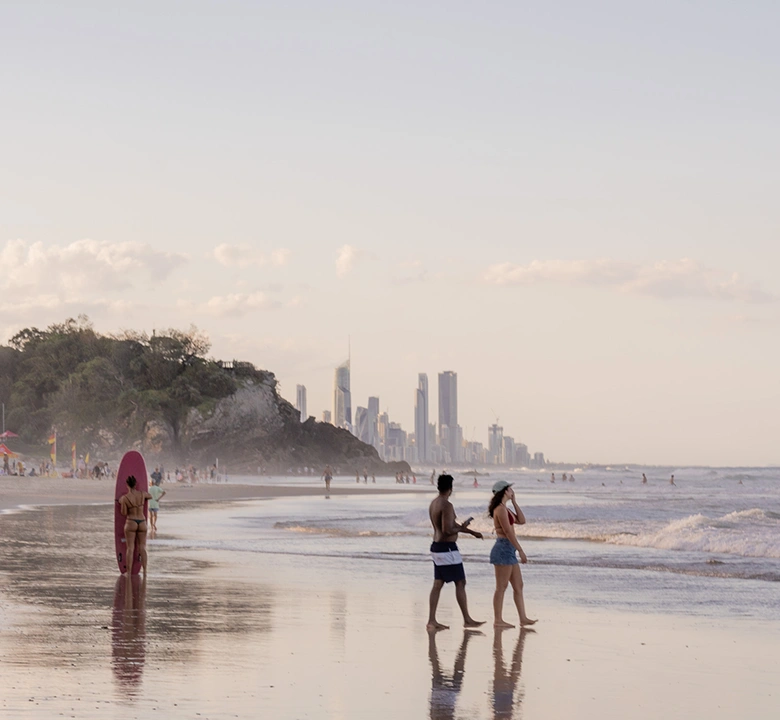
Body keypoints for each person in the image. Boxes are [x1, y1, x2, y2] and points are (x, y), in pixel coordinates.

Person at [427, 474, 484, 631]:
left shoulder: (434, 503)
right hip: (447, 548)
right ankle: (467, 619)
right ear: (450, 489)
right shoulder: (447, 505)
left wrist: (466, 528)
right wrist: (467, 530)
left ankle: (432, 621)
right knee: (460, 582)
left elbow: (448, 525)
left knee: (438, 583)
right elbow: (448, 530)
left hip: (437, 546)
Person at [488, 480, 536, 628]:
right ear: (504, 491)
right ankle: (498, 620)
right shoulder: (500, 510)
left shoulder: (505, 508)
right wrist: (521, 551)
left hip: (509, 549)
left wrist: (515, 502)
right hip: (503, 548)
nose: (512, 491)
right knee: (501, 587)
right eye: (509, 489)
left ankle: (523, 618)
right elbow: (508, 532)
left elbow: (521, 520)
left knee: (518, 585)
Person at [117, 475, 152, 575]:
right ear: (136, 484)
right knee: (142, 547)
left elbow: (124, 513)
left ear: (127, 485)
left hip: (131, 522)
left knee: (130, 548)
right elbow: (150, 496)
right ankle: (145, 571)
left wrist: (121, 502)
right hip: (142, 522)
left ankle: (129, 571)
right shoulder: (142, 494)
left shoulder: (125, 498)